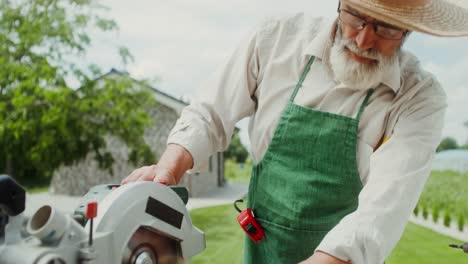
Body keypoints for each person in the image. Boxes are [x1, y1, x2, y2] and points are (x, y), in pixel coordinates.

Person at [122, 0, 468, 263]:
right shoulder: (276, 40)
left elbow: (384, 205)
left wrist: (329, 258)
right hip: (262, 243)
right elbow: (210, 113)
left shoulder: (419, 97)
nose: (363, 39)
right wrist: (169, 168)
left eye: (386, 28)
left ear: (408, 31)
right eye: (356, 17)